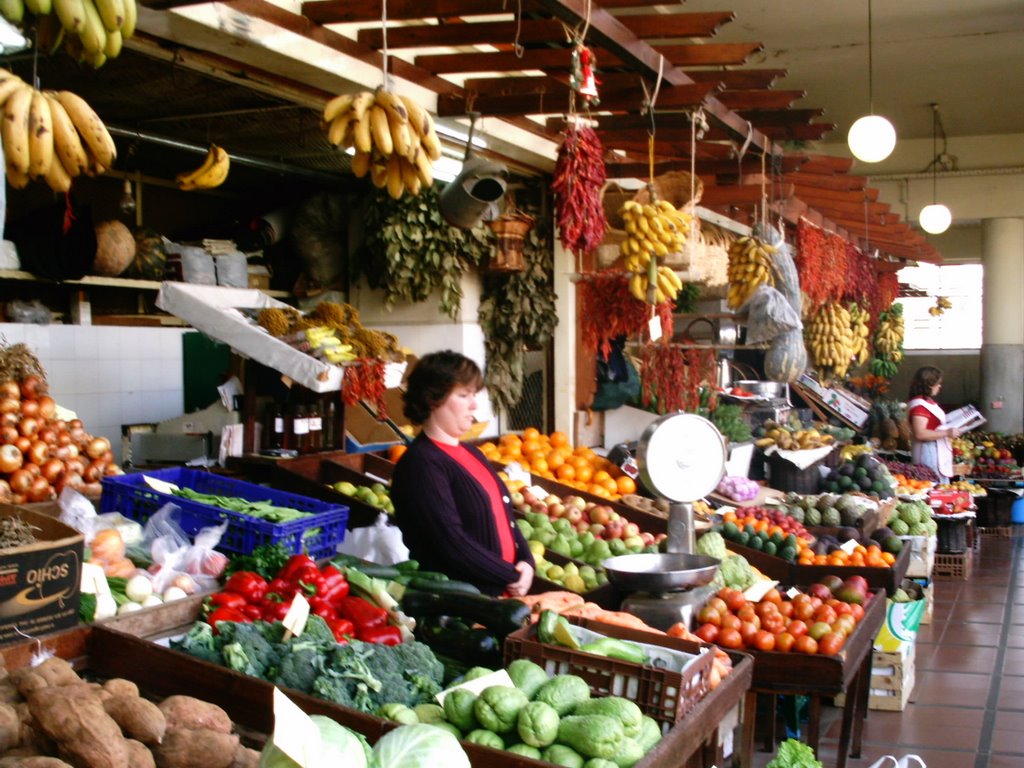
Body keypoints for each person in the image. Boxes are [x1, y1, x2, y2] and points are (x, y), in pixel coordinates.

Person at [390, 351, 535, 597]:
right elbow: (450, 543)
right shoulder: (421, 465)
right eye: (463, 395)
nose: (474, 404)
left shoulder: (471, 453)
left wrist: (526, 562)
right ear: (433, 399)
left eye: (473, 395)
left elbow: (503, 515)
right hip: (461, 608)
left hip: (498, 599)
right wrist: (511, 575)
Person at [907, 365, 960, 482]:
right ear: (928, 384)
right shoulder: (920, 406)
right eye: (937, 383)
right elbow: (920, 433)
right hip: (929, 454)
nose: (939, 386)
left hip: (936, 453)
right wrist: (947, 432)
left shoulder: (925, 402)